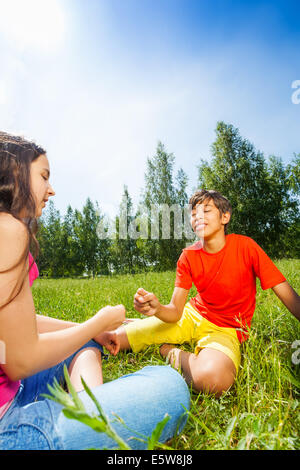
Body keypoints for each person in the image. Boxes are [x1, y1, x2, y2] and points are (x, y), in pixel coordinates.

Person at [0, 131, 190, 450]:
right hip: (9, 433)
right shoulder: (9, 230)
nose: (51, 189)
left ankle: (91, 418)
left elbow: (17, 329)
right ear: (14, 173)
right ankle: (94, 426)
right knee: (170, 387)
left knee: (82, 342)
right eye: (43, 176)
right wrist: (98, 322)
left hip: (12, 392)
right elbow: (19, 359)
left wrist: (92, 331)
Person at [100, 190, 300, 397]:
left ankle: (168, 350)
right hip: (190, 316)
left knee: (213, 380)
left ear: (225, 217)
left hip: (226, 330)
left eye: (206, 210)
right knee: (112, 341)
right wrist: (158, 309)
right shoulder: (188, 256)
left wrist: (170, 351)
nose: (198, 217)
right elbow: (176, 312)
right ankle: (131, 325)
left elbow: (288, 295)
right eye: (194, 214)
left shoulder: (246, 247)